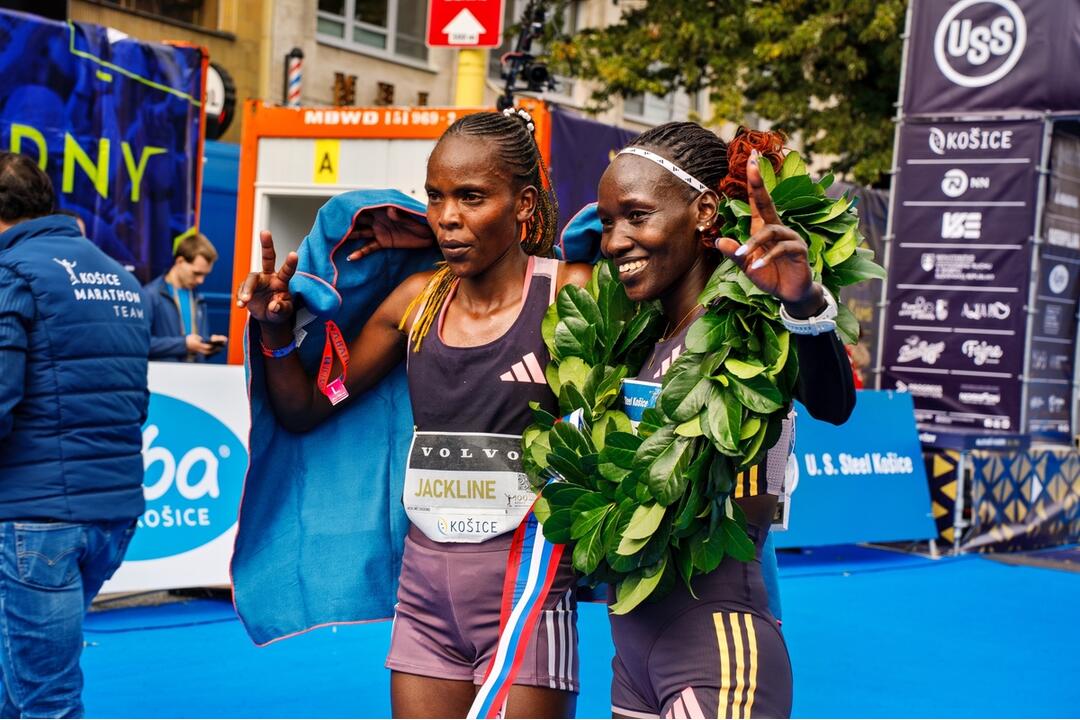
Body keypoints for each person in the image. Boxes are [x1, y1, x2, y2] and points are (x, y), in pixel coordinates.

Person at [237, 110, 593, 718]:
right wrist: (273, 333)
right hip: (425, 593)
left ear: (524, 203)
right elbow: (305, 411)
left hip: (529, 591)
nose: (448, 217)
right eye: (436, 197)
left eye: (472, 197)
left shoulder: (571, 293)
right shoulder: (415, 302)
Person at [596, 124, 856, 719]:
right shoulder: (636, 339)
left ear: (704, 211)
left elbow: (834, 405)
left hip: (718, 648)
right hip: (632, 652)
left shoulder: (751, 323)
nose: (615, 241)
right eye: (610, 222)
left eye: (636, 215)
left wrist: (802, 303)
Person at [0, 152, 150, 718]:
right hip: (110, 512)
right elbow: (135, 400)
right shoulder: (115, 275)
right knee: (22, 687)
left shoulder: (12, 272)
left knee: (45, 699)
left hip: (36, 518)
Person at [143, 233, 227, 361]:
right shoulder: (150, 295)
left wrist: (208, 343)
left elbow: (193, 341)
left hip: (194, 376)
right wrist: (184, 345)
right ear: (180, 261)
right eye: (196, 273)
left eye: (205, 275)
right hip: (163, 377)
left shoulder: (198, 298)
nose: (201, 281)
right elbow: (141, 343)